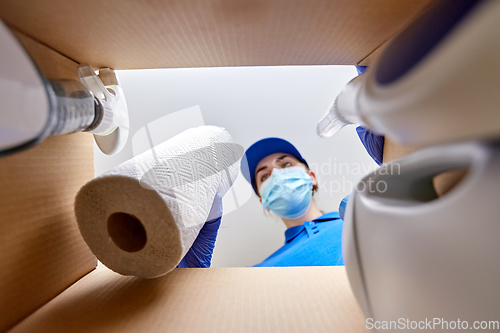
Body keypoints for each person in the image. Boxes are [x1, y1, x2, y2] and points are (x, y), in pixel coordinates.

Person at [241, 137, 344, 267]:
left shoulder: (358, 222)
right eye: (265, 176)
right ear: (263, 200)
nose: (276, 175)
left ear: (311, 177)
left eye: (286, 165)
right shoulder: (262, 272)